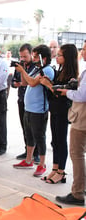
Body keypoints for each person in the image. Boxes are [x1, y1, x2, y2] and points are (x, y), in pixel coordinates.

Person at [13, 45, 55, 177]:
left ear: (44, 58)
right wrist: (23, 70)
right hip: (28, 108)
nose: (34, 59)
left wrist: (23, 71)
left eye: (36, 56)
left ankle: (42, 164)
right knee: (29, 135)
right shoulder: (37, 69)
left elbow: (32, 83)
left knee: (39, 137)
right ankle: (28, 160)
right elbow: (25, 83)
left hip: (39, 110)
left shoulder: (47, 70)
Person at [39, 44, 78, 184]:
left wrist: (48, 85)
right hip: (54, 109)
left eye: (60, 55)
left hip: (62, 110)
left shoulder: (72, 75)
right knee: (55, 140)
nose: (57, 56)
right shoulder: (60, 70)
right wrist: (49, 83)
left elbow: (60, 93)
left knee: (61, 141)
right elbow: (54, 90)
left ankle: (61, 171)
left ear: (67, 57)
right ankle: (55, 169)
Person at [55, 41, 86, 206]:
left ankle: (78, 193)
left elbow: (81, 96)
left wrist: (67, 91)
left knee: (77, 154)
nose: (83, 51)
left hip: (81, 119)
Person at [12, 44, 40, 164]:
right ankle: (27, 150)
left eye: (25, 56)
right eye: (21, 56)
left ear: (31, 54)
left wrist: (23, 74)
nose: (23, 59)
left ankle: (37, 153)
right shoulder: (19, 66)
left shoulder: (36, 67)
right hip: (22, 100)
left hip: (34, 104)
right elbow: (13, 81)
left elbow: (32, 83)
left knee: (36, 129)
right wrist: (15, 83)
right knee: (25, 128)